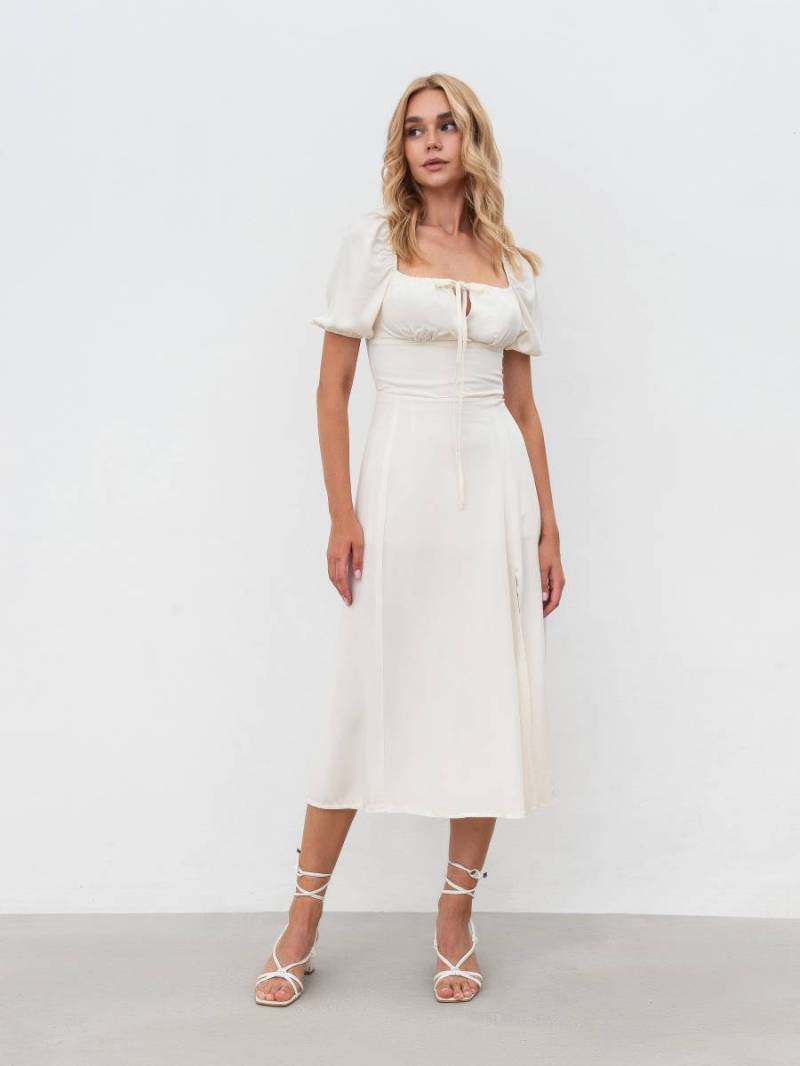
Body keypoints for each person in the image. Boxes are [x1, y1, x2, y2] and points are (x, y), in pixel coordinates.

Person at [255, 72, 565, 1007]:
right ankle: (302, 918)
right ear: (402, 149)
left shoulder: (511, 262)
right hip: (399, 490)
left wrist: (549, 526)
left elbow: (523, 407)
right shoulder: (374, 246)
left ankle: (455, 916)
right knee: (362, 698)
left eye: (447, 126)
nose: (431, 141)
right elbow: (331, 390)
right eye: (415, 129)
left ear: (472, 141)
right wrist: (340, 512)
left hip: (495, 499)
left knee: (486, 701)